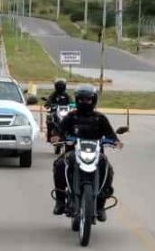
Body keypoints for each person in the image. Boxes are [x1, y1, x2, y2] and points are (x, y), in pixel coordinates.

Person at [51, 84, 123, 222]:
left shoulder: (100, 118)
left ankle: (100, 206)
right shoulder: (71, 117)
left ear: (93, 100)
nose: (85, 102)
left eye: (88, 100)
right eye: (81, 100)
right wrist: (56, 136)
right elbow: (59, 130)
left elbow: (110, 134)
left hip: (96, 155)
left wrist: (115, 141)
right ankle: (60, 202)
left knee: (108, 169)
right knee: (59, 165)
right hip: (73, 153)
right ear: (77, 100)